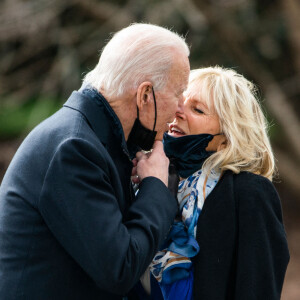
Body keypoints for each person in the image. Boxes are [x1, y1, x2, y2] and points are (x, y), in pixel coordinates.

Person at [0, 23, 190, 299]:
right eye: (178, 93)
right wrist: (156, 186)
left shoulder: (93, 140)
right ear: (145, 95)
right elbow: (120, 269)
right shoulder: (74, 149)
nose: (179, 108)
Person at [137, 66, 290, 299]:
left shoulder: (249, 191)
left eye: (197, 109)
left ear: (227, 139)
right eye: (180, 101)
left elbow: (259, 287)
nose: (177, 111)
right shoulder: (146, 180)